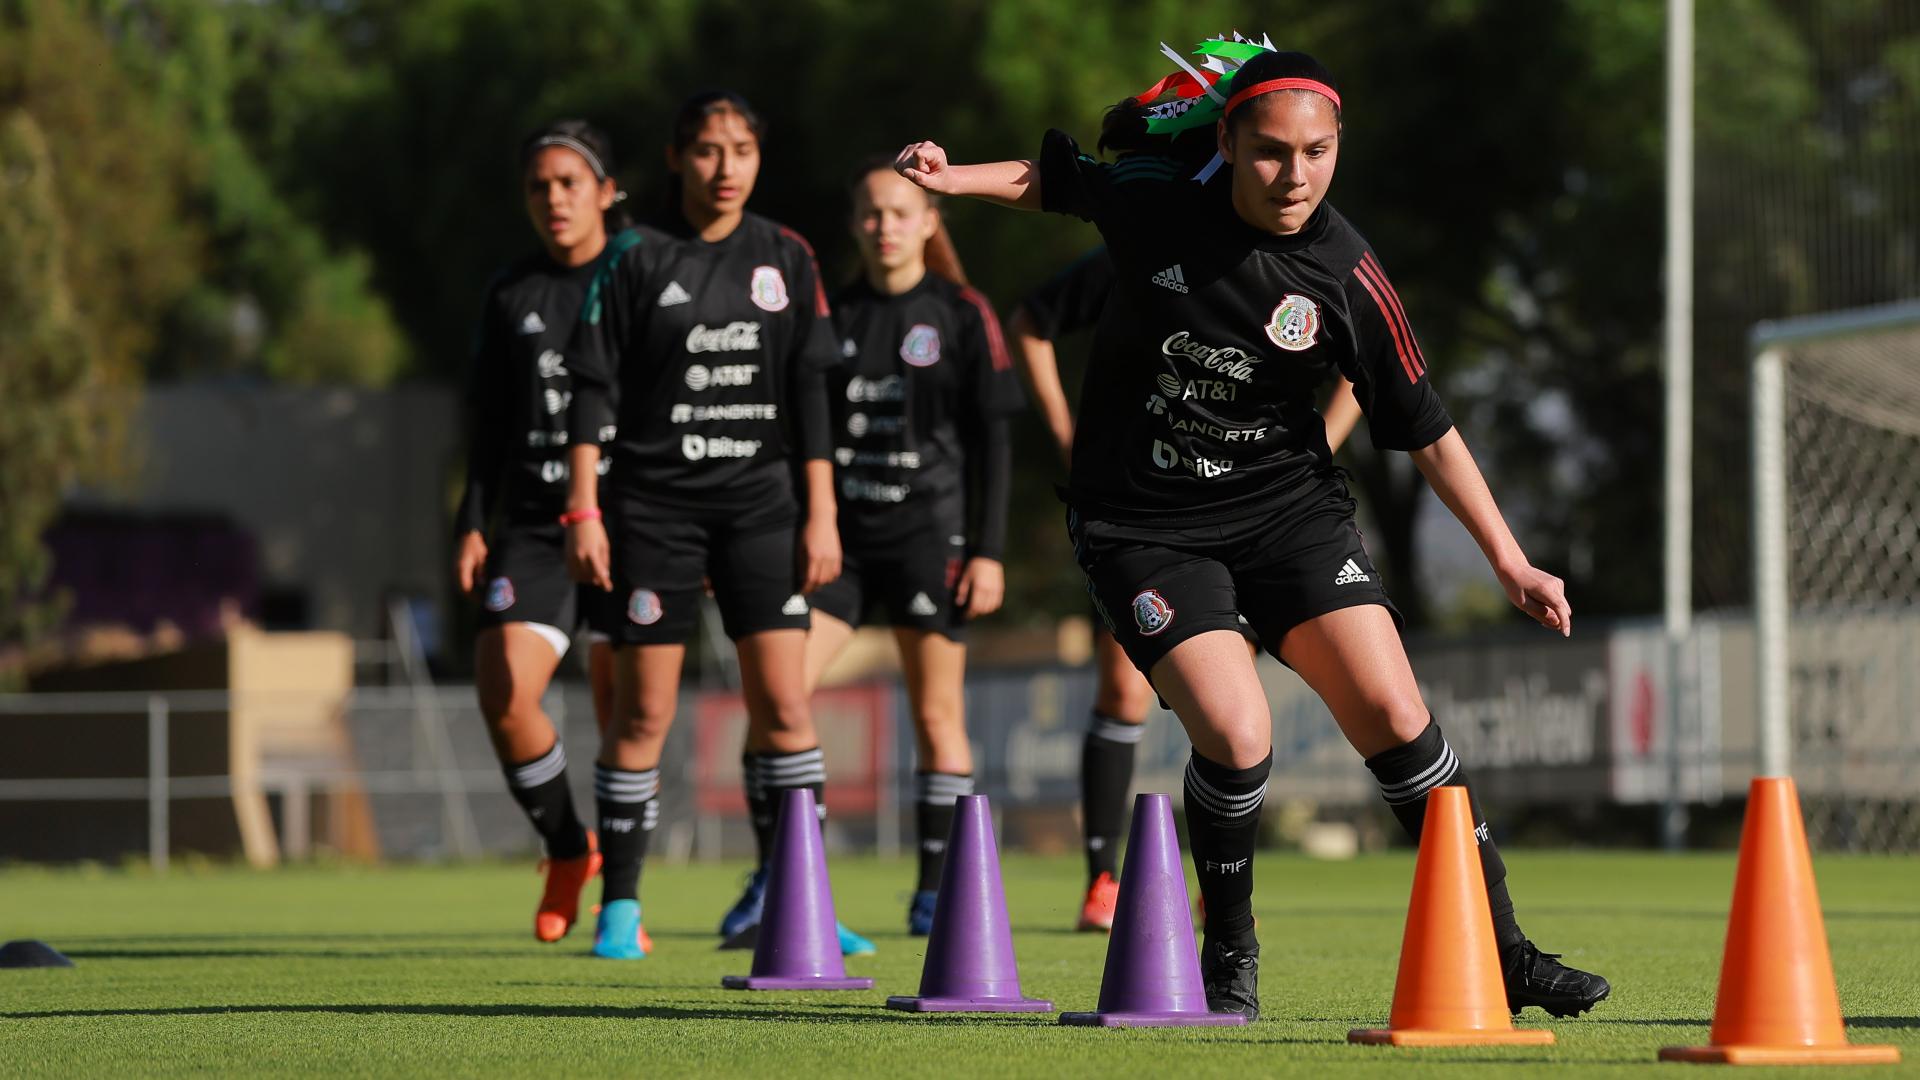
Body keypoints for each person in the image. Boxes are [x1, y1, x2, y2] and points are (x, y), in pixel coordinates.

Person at [894, 42, 1610, 1020]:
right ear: (1228, 141)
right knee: (1236, 734)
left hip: (1288, 514)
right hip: (1142, 525)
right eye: (1272, 152)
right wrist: (948, 179)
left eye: (1318, 152)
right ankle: (1227, 944)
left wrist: (1509, 558)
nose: (1296, 174)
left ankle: (1508, 950)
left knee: (1400, 719)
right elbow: (1054, 180)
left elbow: (1427, 426)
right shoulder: (1157, 198)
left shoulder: (1347, 272)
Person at [562, 91, 873, 959]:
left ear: (758, 159)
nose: (725, 166)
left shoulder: (786, 255)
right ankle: (620, 906)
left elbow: (812, 393)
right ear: (676, 158)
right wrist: (584, 507)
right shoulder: (631, 256)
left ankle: (798, 896)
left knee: (783, 701)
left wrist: (822, 514)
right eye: (706, 150)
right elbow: (591, 389)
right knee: (643, 713)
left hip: (761, 510)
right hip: (653, 512)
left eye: (741, 149)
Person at [1012, 248, 1361, 932]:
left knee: (1234, 719)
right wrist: (1066, 432)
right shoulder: (1135, 245)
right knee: (1122, 688)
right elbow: (1029, 321)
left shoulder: (1305, 260)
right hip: (1148, 515)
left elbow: (1368, 358)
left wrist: (1318, 448)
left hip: (1260, 516)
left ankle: (1218, 889)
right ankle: (1103, 880)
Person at [804, 159, 1022, 934]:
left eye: (901, 212)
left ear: (931, 221)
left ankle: (938, 891)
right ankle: (794, 887)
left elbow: (994, 443)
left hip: (932, 538)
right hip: (842, 547)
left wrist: (989, 552)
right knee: (781, 696)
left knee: (937, 715)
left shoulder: (963, 312)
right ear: (856, 223)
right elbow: (810, 431)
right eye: (871, 213)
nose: (885, 226)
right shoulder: (831, 312)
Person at [454, 119, 645, 949]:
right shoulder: (513, 292)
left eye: (570, 181)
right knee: (502, 688)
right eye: (539, 185)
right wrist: (471, 520)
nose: (554, 198)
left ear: (608, 191)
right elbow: (490, 421)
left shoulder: (648, 271)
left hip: (637, 518)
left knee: (623, 713)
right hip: (534, 521)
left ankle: (624, 907)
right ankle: (570, 848)